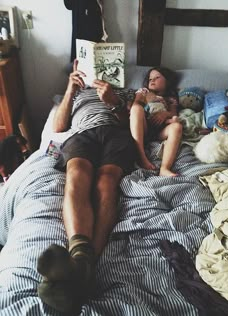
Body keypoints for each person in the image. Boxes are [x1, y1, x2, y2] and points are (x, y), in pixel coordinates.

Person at [37, 59, 135, 313]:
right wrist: (71, 89)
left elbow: (131, 125)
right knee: (77, 172)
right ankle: (83, 263)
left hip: (115, 134)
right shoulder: (75, 93)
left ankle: (83, 263)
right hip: (82, 134)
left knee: (106, 180)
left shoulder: (125, 91)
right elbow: (58, 128)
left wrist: (114, 101)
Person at [129, 67, 183, 176]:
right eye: (150, 79)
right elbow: (136, 103)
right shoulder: (144, 91)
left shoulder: (171, 98)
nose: (152, 80)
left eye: (157, 77)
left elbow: (174, 113)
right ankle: (141, 156)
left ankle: (164, 168)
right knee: (136, 109)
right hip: (144, 127)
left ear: (167, 81)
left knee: (177, 126)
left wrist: (165, 114)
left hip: (160, 130)